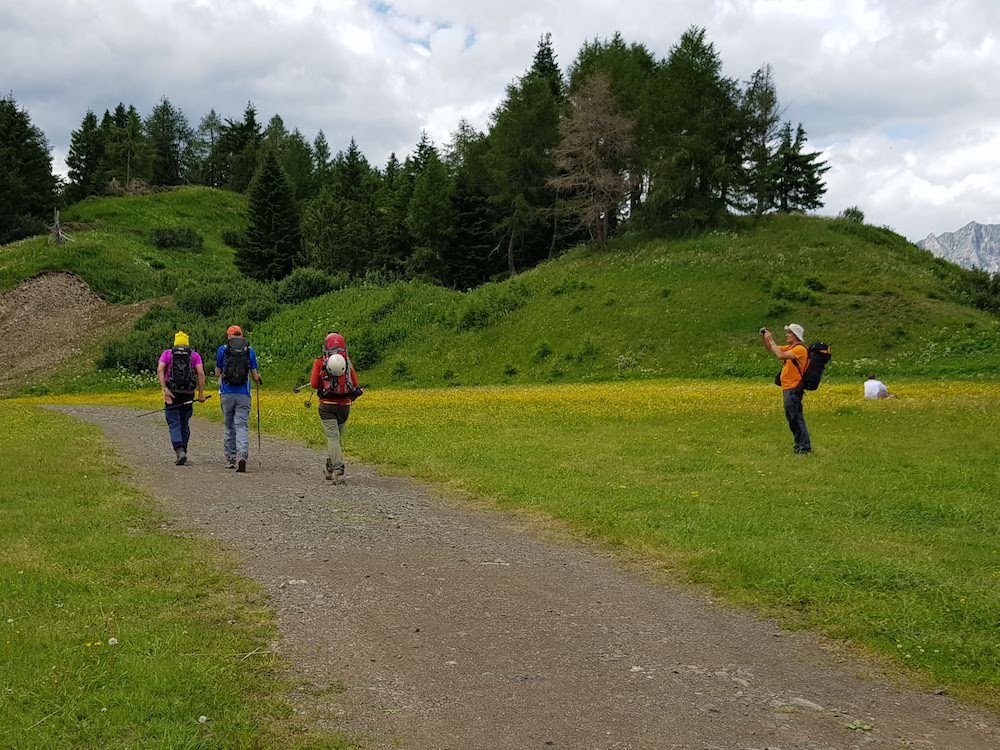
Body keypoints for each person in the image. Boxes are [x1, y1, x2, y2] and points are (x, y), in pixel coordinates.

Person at [309, 332, 361, 484]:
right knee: (336, 439)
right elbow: (355, 383)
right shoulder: (347, 361)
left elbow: (313, 384)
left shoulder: (319, 362)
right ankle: (329, 468)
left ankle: (338, 471)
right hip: (344, 406)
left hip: (326, 406)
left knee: (333, 438)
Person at [214, 325, 261, 473]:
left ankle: (231, 458)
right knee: (241, 425)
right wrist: (259, 378)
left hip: (226, 393)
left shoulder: (222, 350)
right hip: (243, 394)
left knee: (229, 425)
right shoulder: (250, 351)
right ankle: (242, 454)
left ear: (228, 336)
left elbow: (217, 373)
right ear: (242, 335)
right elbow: (254, 376)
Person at [157, 331, 206, 465]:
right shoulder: (194, 355)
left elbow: (160, 370)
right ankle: (183, 449)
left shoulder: (167, 354)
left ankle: (179, 450)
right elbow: (200, 373)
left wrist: (165, 389)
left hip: (171, 393)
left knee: (174, 422)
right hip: (188, 394)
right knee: (184, 422)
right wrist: (201, 394)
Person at [761, 323, 811, 455]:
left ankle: (804, 447)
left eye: (789, 333)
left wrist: (771, 340)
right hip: (788, 388)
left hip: (793, 388)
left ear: (795, 335)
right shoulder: (791, 347)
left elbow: (780, 355)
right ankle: (800, 445)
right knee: (792, 417)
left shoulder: (799, 349)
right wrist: (766, 338)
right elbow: (772, 348)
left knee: (796, 417)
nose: (786, 335)